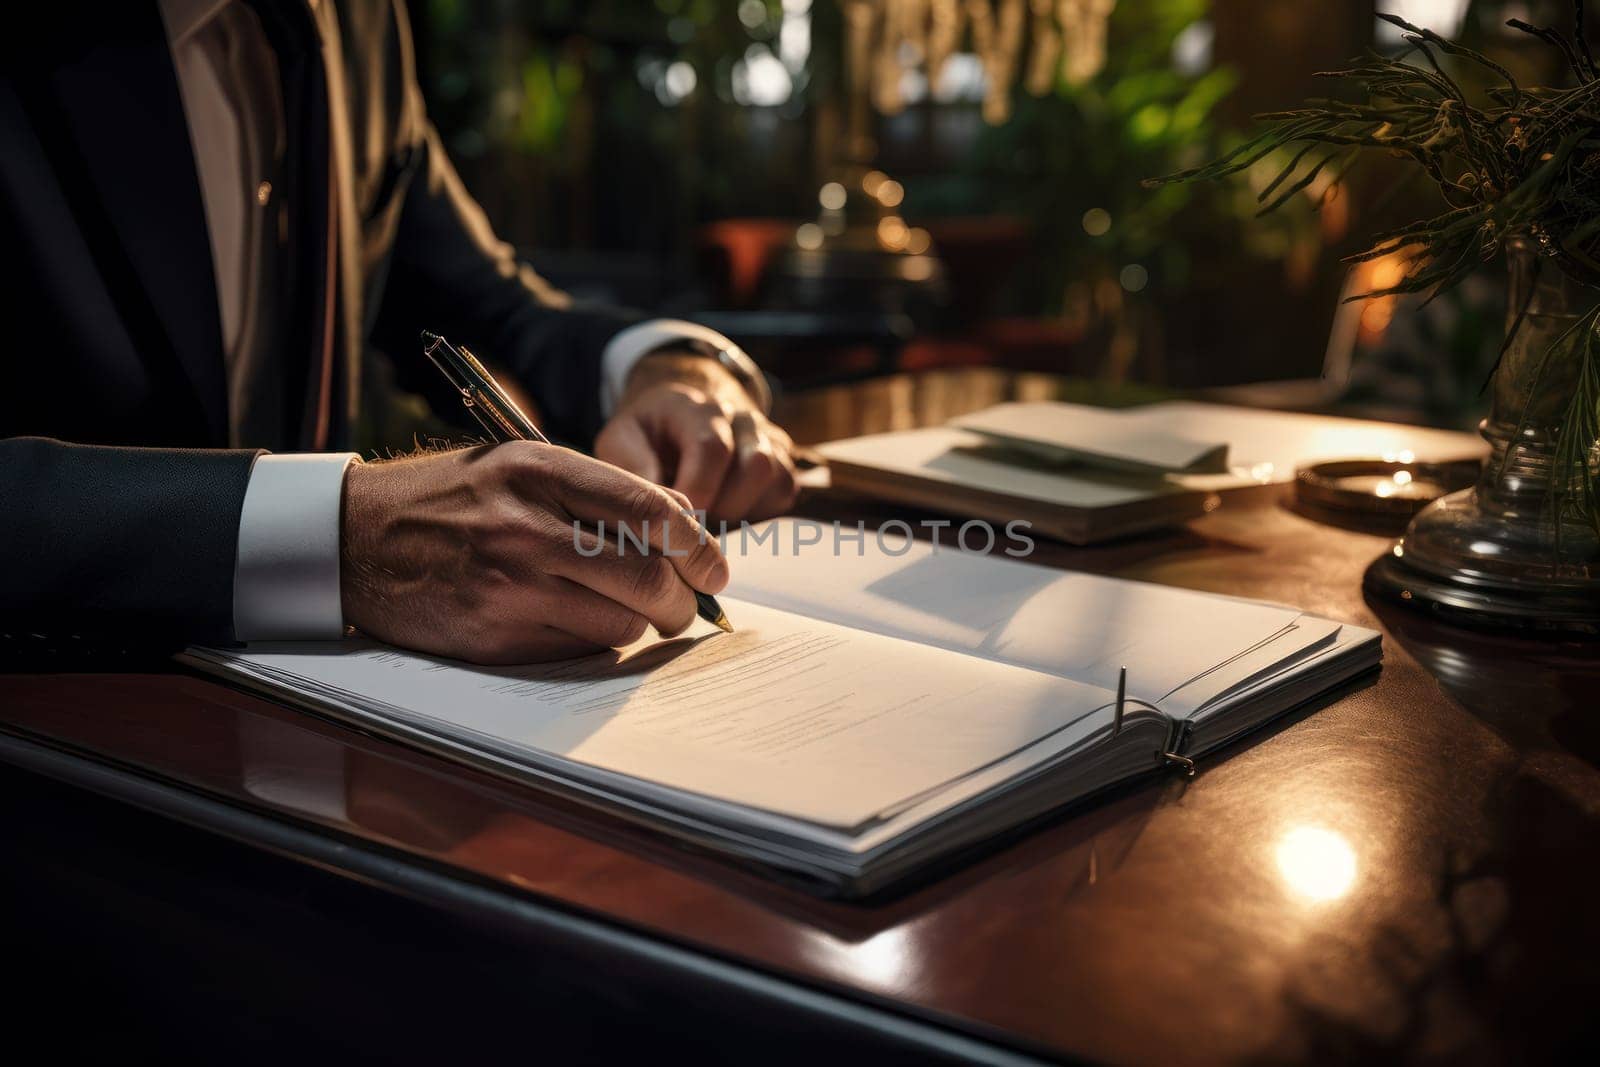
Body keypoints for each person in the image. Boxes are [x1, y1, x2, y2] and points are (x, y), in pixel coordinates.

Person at [0, 1, 798, 664]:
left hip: (326, 732)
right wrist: (339, 537)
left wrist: (671, 366)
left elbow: (483, 305)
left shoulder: (354, 21)